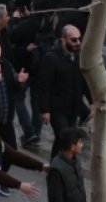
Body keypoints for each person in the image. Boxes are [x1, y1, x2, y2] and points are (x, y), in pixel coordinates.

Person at [35, 25, 90, 158]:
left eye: (79, 39)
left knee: (62, 140)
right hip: (57, 108)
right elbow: (44, 85)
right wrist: (45, 110)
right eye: (74, 40)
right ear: (64, 40)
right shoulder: (51, 58)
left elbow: (83, 82)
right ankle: (57, 170)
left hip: (73, 108)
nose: (77, 43)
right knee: (66, 138)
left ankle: (56, 170)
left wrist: (91, 101)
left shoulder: (78, 58)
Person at [46, 128, 87, 202]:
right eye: (80, 142)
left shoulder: (77, 161)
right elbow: (55, 198)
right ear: (72, 147)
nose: (82, 145)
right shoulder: (56, 169)